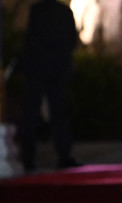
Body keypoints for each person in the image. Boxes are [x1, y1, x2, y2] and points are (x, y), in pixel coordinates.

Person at [19, 0, 80, 172]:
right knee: (58, 114)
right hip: (56, 70)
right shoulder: (64, 12)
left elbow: (29, 40)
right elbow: (72, 40)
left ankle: (28, 158)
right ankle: (63, 157)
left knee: (32, 114)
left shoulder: (37, 11)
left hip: (38, 69)